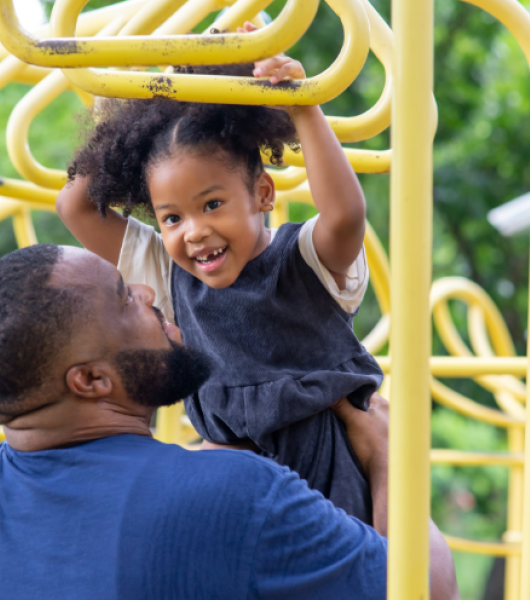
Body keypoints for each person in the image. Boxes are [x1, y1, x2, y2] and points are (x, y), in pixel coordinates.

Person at [0, 244, 459, 600]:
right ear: (91, 380)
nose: (147, 292)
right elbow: (424, 587)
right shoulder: (238, 494)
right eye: (123, 300)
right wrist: (389, 457)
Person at [58, 24, 384, 524]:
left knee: (374, 563)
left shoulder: (304, 262)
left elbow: (343, 216)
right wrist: (139, 99)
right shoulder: (168, 274)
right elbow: (75, 206)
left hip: (330, 479)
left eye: (212, 204)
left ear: (263, 195)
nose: (194, 231)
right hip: (233, 487)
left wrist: (302, 106)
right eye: (172, 217)